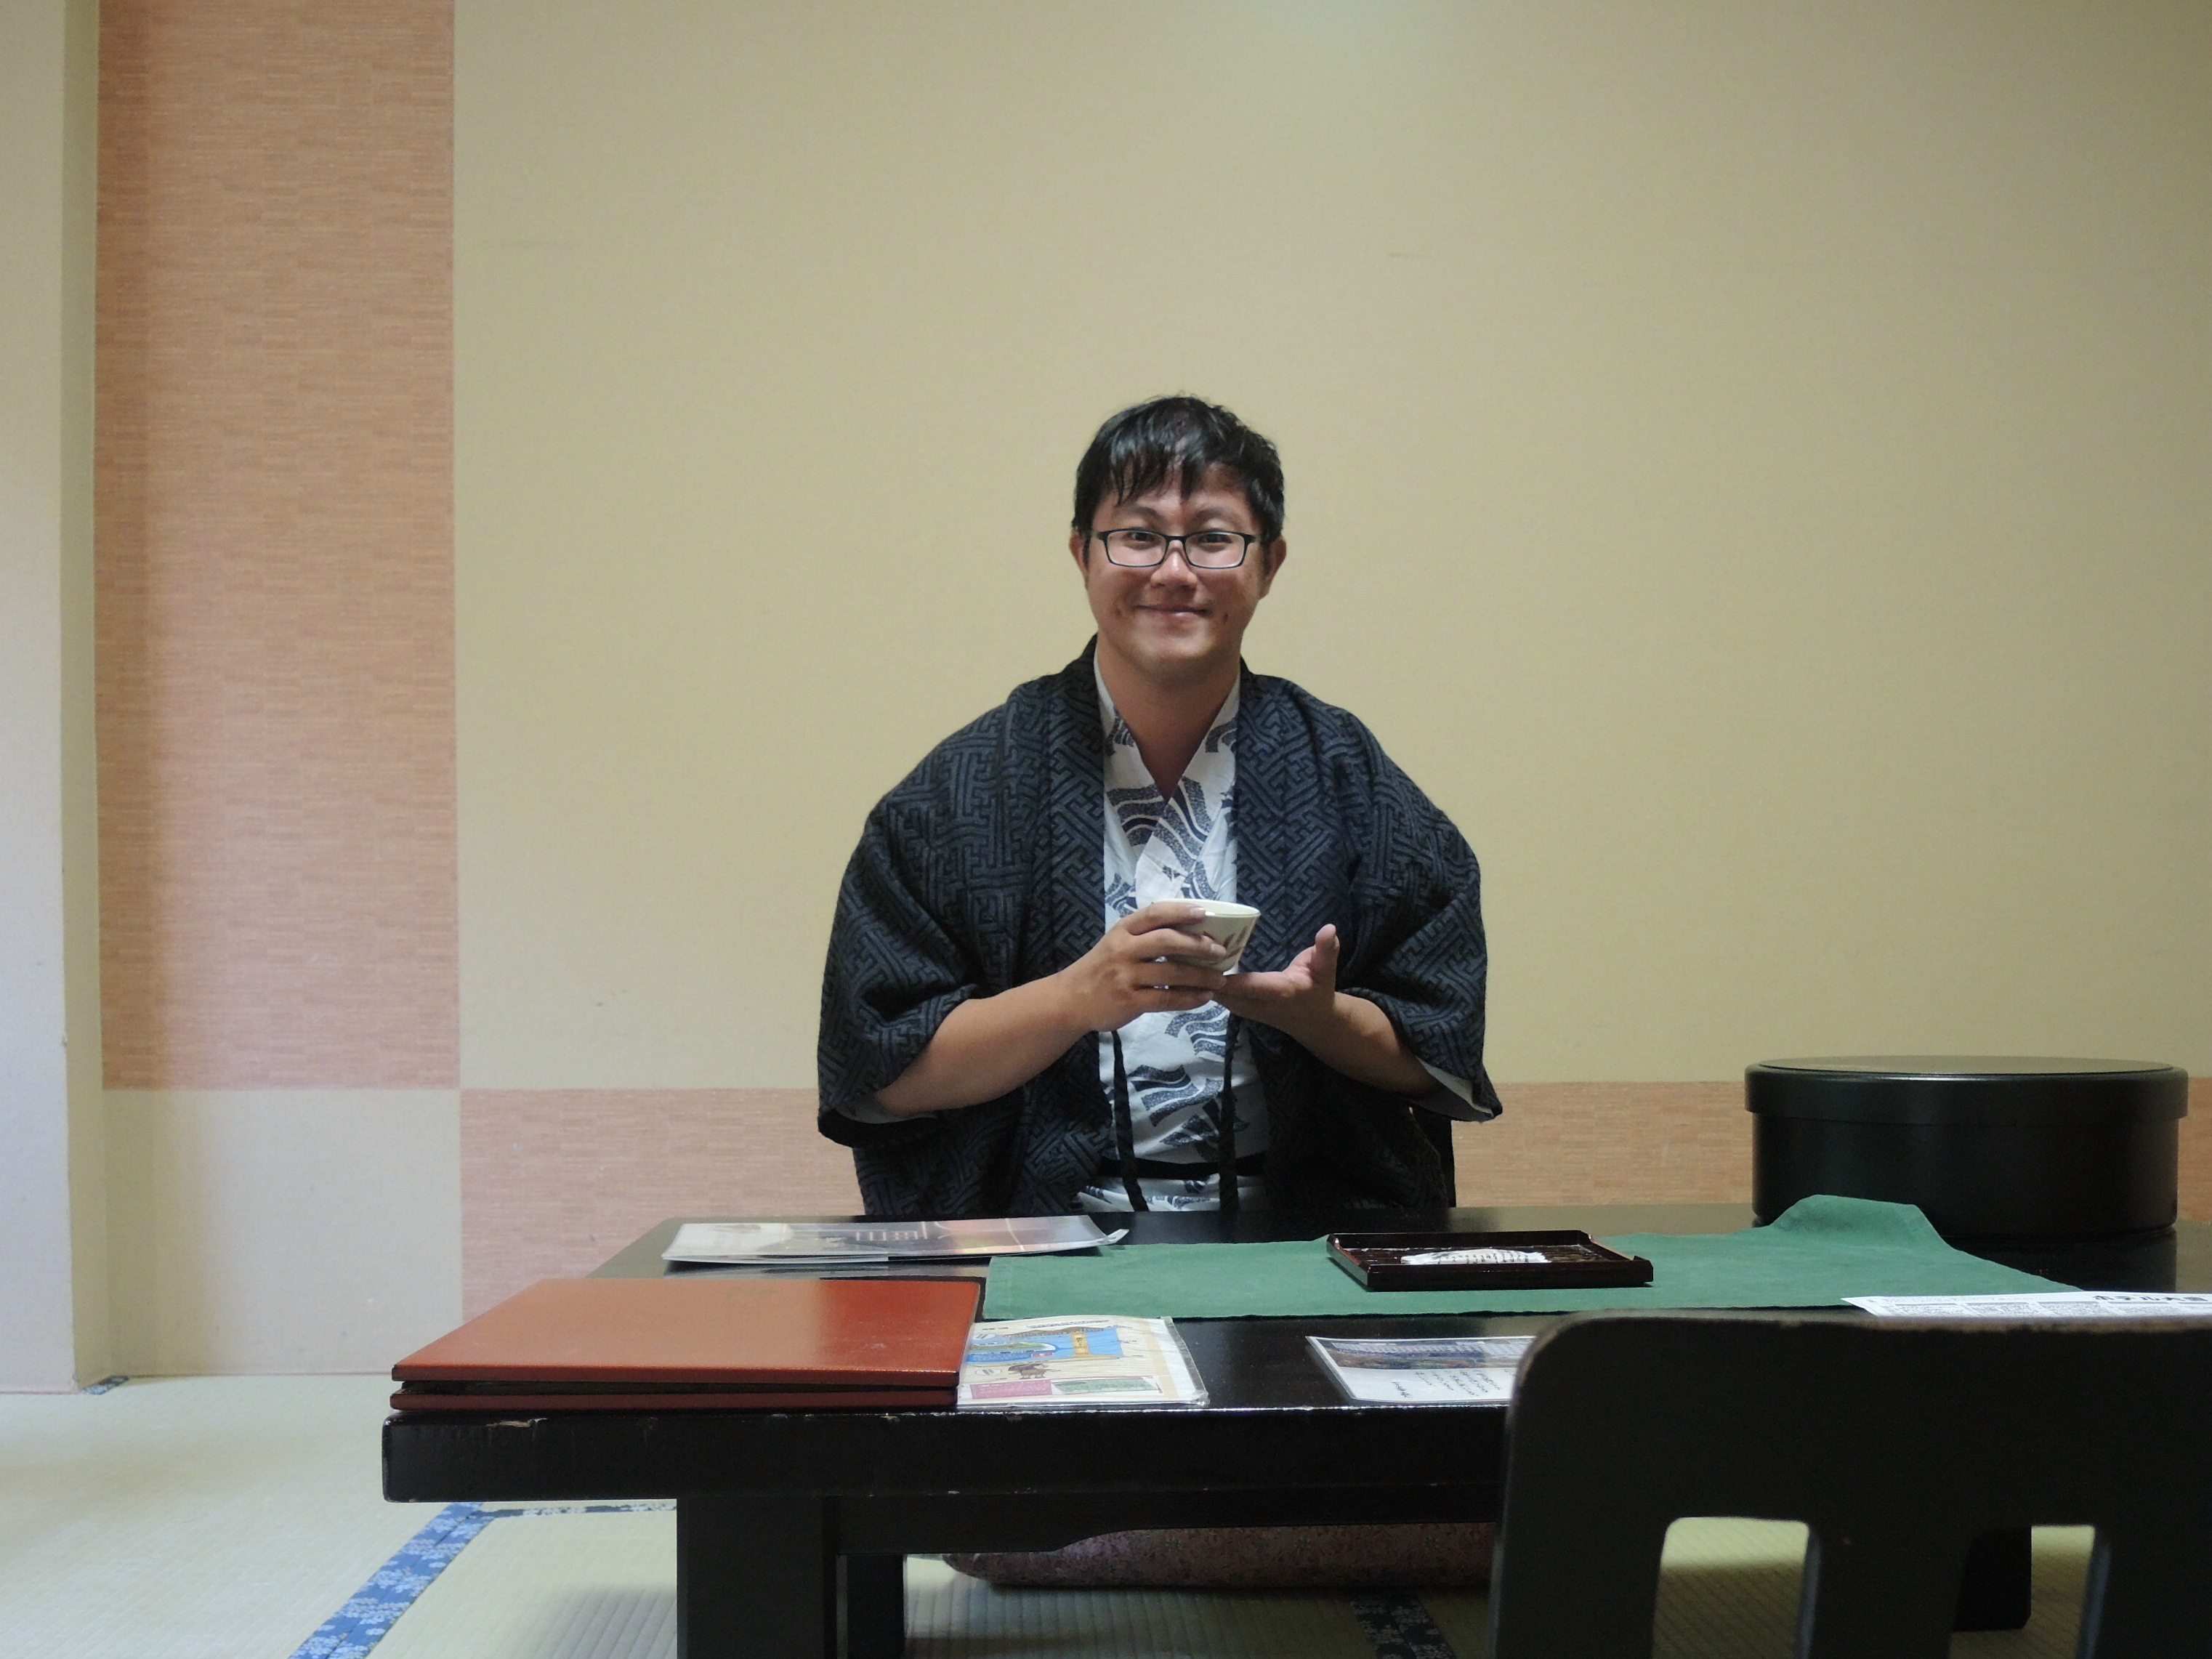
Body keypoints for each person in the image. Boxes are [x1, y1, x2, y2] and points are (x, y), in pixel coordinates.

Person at [818, 395, 1500, 1217]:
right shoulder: (964, 788)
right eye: (1138, 535)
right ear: (1082, 553)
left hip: (1299, 1235)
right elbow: (880, 1070)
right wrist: (1075, 998)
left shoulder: (1342, 771)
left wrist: (1321, 1020)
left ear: (1270, 563)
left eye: (1212, 538)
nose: (1174, 572)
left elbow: (1439, 1042)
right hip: (1041, 1231)